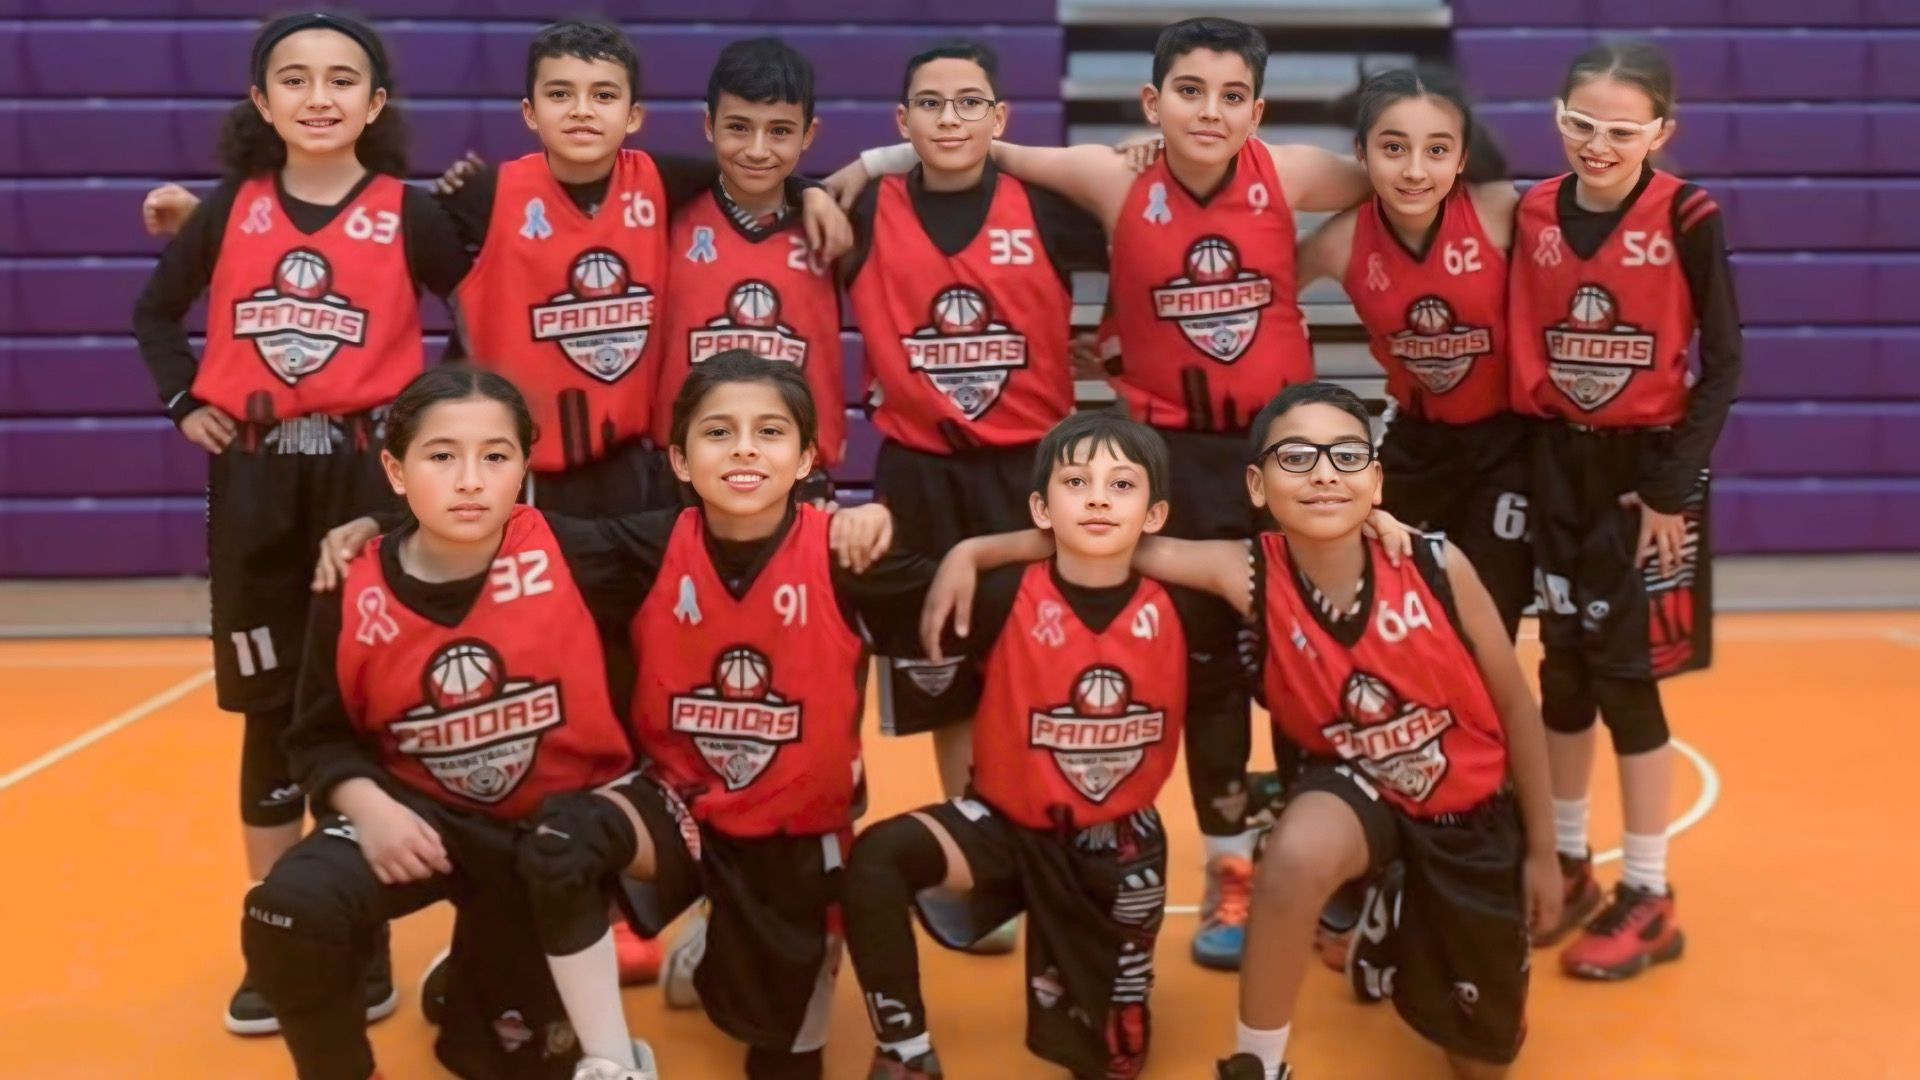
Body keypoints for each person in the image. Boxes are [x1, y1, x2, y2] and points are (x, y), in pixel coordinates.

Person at [830, 18, 1375, 968]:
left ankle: (1333, 866)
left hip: (1283, 453)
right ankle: (1232, 869)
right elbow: (977, 140)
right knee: (1206, 678)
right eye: (1190, 92)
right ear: (1151, 102)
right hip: (1173, 460)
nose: (1211, 110)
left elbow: (1404, 176)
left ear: (1259, 107)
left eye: (1232, 94)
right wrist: (862, 166)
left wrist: (1318, 261)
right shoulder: (1113, 177)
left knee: (1311, 666)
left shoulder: (1287, 173)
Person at [1044, 383, 1555, 1079]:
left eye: (1346, 455)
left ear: (1376, 481)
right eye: (1296, 457)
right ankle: (1260, 1063)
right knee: (1292, 857)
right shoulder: (1250, 571)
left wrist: (1546, 854)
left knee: (1479, 1062)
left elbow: (1519, 712)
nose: (1322, 472)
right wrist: (973, 554)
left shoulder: (1437, 565)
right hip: (1357, 792)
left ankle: (1391, 909)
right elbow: (1107, 542)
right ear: (1257, 485)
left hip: (1469, 810)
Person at [128, 11, 471, 1034]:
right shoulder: (225, 210)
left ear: (374, 104)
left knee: (368, 703)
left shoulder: (408, 214)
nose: (318, 96)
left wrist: (450, 437)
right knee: (270, 712)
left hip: (367, 474)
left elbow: (485, 303)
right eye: (295, 78)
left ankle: (356, 931)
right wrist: (181, 398)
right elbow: (155, 312)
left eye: (341, 80)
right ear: (261, 101)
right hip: (257, 478)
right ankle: (276, 933)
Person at [247, 365, 654, 1080]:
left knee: (501, 1058)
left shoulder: (579, 552)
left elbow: (723, 526)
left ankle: (479, 978)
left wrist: (848, 521)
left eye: (495, 456)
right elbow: (315, 738)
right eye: (442, 456)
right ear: (395, 471)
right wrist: (368, 806)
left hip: (547, 843)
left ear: (525, 467)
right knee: (288, 911)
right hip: (422, 821)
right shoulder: (350, 585)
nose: (470, 479)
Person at [818, 41, 1112, 846]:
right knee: (943, 671)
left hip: (1031, 471)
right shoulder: (863, 210)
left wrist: (1115, 341)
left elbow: (1156, 242)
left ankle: (1054, 834)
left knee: (1045, 664)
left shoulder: (1050, 205)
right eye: (932, 104)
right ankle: (976, 839)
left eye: (969, 102)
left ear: (1000, 116)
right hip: (919, 472)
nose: (950, 118)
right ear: (902, 119)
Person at [846, 411, 1196, 1080]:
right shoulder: (999, 592)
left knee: (1112, 1059)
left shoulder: (1184, 601)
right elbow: (857, 574)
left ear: (1155, 513)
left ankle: (1119, 989)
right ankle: (905, 1050)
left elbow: (1277, 565)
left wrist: (1383, 523)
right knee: (879, 859)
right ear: (1040, 507)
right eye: (1076, 481)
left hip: (1118, 847)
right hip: (1004, 831)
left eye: (1121, 485)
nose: (1096, 497)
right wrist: (854, 525)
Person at [1509, 41, 1741, 975]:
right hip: (1552, 462)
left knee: (1627, 681)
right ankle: (1568, 863)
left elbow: (1723, 364)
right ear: (1557, 116)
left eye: (1619, 130)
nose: (1596, 144)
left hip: (1647, 477)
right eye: (1579, 124)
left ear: (1660, 133)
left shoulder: (1687, 213)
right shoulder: (1530, 209)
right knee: (1562, 672)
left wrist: (1673, 488)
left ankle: (1649, 888)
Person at [1295, 67, 1533, 635]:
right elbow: (1253, 297)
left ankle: (1488, 720)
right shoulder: (1341, 239)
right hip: (1419, 439)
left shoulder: (1503, 211)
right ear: (1362, 153)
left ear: (1461, 156)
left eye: (1436, 149)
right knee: (1373, 585)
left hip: (1510, 441)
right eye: (1393, 148)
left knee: (1487, 611)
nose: (1415, 170)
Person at [650, 37, 848, 497]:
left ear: (809, 134)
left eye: (780, 131)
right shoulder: (664, 211)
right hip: (681, 474)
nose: (758, 150)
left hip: (797, 477)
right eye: (739, 127)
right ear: (708, 125)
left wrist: (816, 190)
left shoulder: (835, 222)